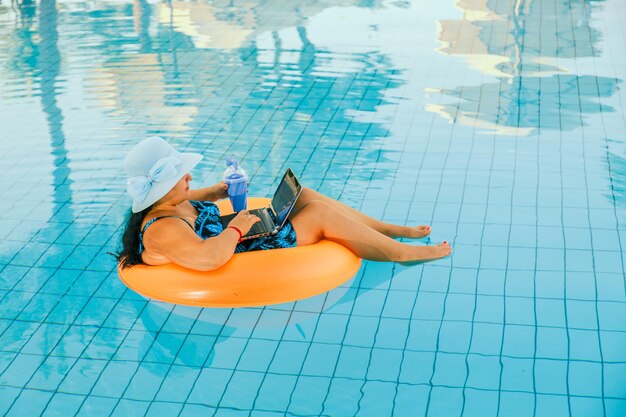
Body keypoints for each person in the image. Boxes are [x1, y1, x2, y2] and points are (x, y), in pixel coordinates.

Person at [116, 137, 451, 271]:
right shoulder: (163, 230)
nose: (188, 178)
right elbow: (209, 258)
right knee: (317, 213)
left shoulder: (170, 203)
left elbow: (194, 200)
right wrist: (238, 226)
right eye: (180, 174)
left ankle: (386, 228)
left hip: (241, 234)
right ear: (159, 188)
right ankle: (402, 253)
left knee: (301, 194)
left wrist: (221, 190)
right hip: (240, 247)